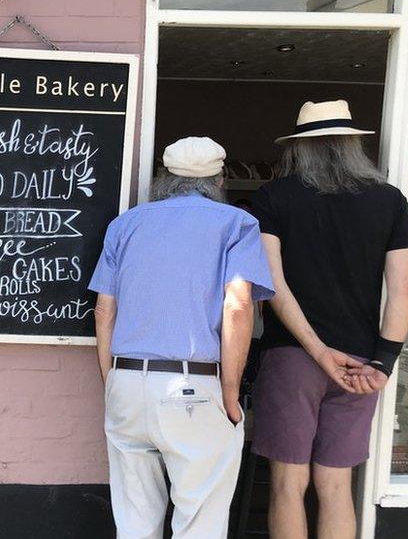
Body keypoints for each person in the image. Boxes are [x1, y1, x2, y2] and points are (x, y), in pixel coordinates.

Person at [90, 137, 275, 539]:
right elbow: (239, 305)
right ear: (220, 179)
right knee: (200, 519)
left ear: (163, 178)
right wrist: (229, 394)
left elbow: (104, 310)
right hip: (193, 385)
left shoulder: (126, 224)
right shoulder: (236, 225)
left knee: (135, 519)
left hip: (126, 381)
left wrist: (111, 381)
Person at [250, 100, 408, 539]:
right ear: (353, 146)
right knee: (337, 485)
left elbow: (271, 284)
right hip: (361, 362)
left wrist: (317, 350)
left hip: (293, 357)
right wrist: (383, 362)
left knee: (289, 484)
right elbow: (404, 290)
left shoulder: (274, 197)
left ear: (300, 149)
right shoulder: (390, 201)